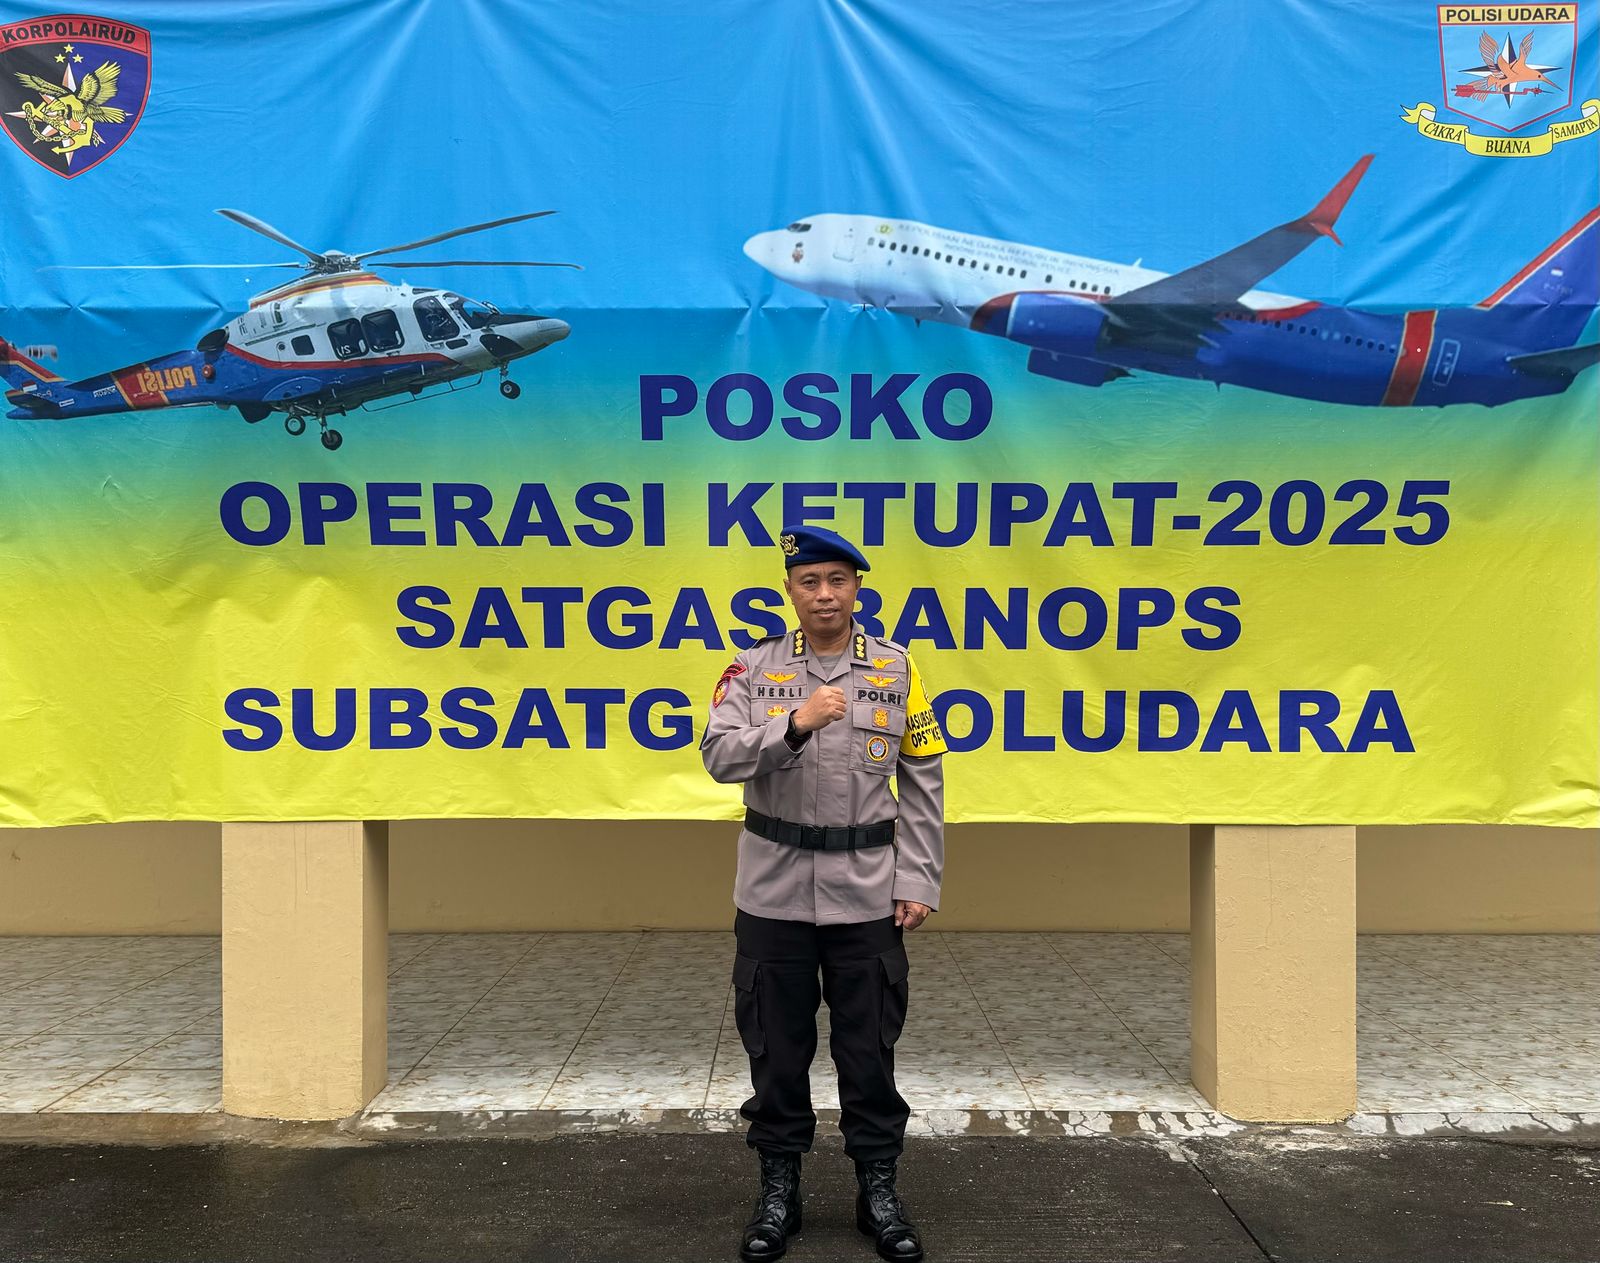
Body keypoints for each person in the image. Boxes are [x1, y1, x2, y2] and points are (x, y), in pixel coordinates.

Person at [701, 524, 947, 1263]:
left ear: (857, 588)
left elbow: (924, 780)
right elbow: (718, 755)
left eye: (838, 580)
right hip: (773, 893)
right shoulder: (753, 669)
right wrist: (794, 725)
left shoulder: (897, 669)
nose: (825, 594)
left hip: (867, 893)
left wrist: (918, 877)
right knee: (777, 1052)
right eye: (809, 582)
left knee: (869, 1052)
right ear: (790, 591)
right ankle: (779, 1192)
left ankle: (879, 1191)